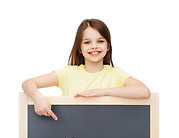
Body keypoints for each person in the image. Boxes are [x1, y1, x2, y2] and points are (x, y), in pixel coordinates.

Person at [22, 18, 150, 121]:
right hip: (70, 135)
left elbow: (144, 92)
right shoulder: (68, 73)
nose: (94, 46)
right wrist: (38, 98)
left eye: (100, 41)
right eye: (87, 42)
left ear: (108, 46)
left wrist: (102, 92)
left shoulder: (115, 74)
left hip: (107, 137)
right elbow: (28, 83)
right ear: (79, 48)